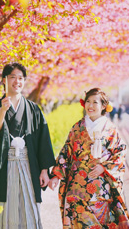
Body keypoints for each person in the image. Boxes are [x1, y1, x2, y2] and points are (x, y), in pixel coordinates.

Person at [0, 62, 55, 228]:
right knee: (5, 208)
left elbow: (42, 139)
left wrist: (44, 170)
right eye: (13, 77)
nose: (17, 81)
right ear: (4, 80)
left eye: (21, 78)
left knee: (28, 207)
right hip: (5, 165)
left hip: (28, 165)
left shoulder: (33, 109)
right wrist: (2, 111)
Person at [48, 88, 129, 228]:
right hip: (77, 186)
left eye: (95, 102)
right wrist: (56, 175)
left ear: (104, 106)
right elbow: (66, 152)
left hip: (101, 187)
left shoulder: (110, 129)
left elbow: (120, 152)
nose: (90, 106)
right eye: (88, 101)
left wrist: (103, 167)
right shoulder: (78, 127)